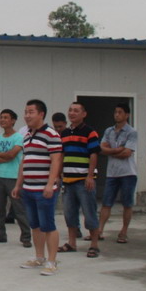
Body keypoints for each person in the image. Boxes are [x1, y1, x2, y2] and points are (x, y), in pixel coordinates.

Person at [12, 99, 63, 276]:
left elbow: (56, 160)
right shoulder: (27, 136)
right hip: (28, 189)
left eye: (31, 112)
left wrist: (50, 184)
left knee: (48, 225)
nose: (27, 116)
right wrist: (18, 184)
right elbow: (24, 161)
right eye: (26, 112)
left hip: (44, 190)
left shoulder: (51, 134)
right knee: (35, 225)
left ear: (41, 114)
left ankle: (52, 261)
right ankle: (39, 257)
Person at [58, 102, 101, 258]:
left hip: (83, 180)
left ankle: (94, 245)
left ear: (84, 114)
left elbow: (94, 154)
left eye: (76, 111)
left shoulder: (90, 132)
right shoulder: (64, 133)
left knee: (89, 213)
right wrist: (58, 175)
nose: (72, 113)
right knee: (69, 213)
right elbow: (61, 155)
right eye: (70, 110)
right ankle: (72, 243)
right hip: (68, 181)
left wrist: (90, 176)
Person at [0, 109, 32, 247]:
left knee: (19, 209)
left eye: (6, 117)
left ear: (13, 120)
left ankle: (26, 237)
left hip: (14, 177)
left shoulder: (18, 137)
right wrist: (3, 156)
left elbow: (12, 155)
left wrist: (0, 155)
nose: (2, 120)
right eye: (1, 117)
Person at [98, 103, 138, 243]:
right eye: (115, 112)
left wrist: (110, 151)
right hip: (112, 173)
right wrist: (117, 150)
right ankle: (99, 230)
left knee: (127, 203)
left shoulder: (131, 132)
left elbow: (127, 153)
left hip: (128, 173)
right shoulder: (109, 131)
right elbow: (101, 148)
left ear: (127, 115)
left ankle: (124, 231)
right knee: (106, 202)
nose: (117, 115)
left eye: (120, 112)